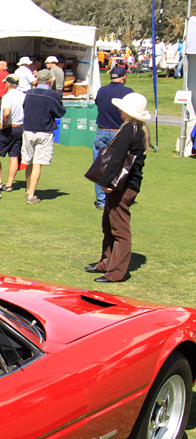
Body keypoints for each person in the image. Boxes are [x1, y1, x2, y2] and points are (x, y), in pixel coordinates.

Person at [87, 92, 150, 283]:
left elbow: (117, 158)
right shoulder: (138, 129)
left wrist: (106, 182)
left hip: (123, 185)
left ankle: (116, 272)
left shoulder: (129, 129)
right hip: (126, 184)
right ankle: (106, 262)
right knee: (109, 224)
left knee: (119, 228)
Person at [21, 68, 65, 205]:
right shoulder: (52, 95)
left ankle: (29, 190)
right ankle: (31, 195)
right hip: (44, 131)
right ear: (50, 80)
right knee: (37, 163)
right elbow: (60, 112)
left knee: (28, 161)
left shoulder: (29, 93)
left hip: (28, 129)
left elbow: (25, 107)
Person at [92, 65, 132, 209]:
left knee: (100, 166)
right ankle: (116, 197)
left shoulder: (102, 90)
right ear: (124, 77)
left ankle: (101, 201)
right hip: (119, 131)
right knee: (120, 165)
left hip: (102, 130)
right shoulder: (128, 92)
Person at [0, 74, 25, 191]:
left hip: (9, 128)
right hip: (20, 127)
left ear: (8, 84)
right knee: (14, 156)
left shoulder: (7, 96)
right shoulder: (24, 96)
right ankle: (9, 184)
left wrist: (4, 124)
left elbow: (6, 112)